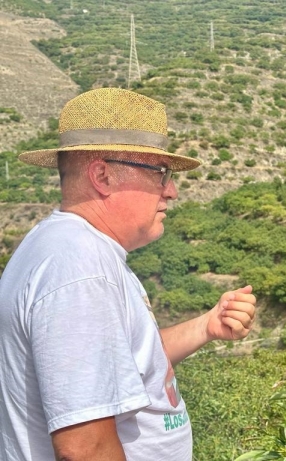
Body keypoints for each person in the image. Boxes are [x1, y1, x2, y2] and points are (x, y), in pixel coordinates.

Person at [0, 88, 257, 461]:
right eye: (160, 173)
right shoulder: (80, 268)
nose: (172, 192)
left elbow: (125, 361)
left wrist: (206, 326)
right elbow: (85, 448)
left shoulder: (71, 249)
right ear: (102, 175)